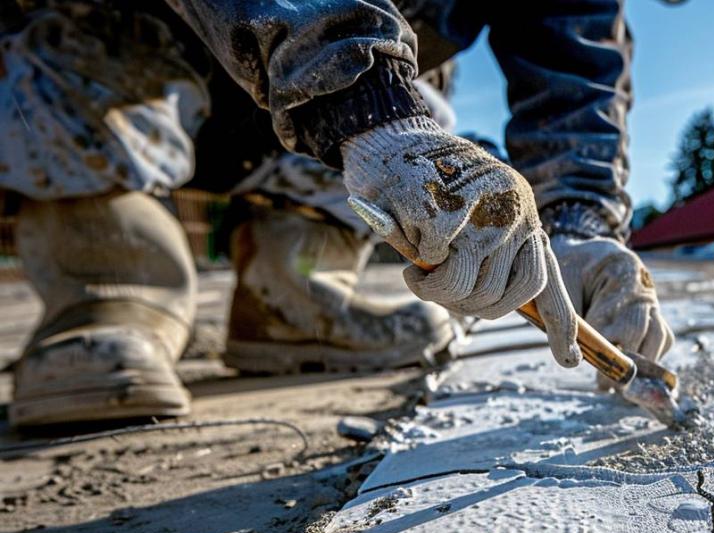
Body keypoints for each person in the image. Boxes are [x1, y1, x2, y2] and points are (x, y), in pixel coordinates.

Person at [0, 1, 674, 428]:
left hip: (308, 108)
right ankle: (109, 286)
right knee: (65, 49)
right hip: (131, 52)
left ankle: (289, 300)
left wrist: (576, 225)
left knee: (427, 122)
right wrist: (370, 111)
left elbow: (574, 79)